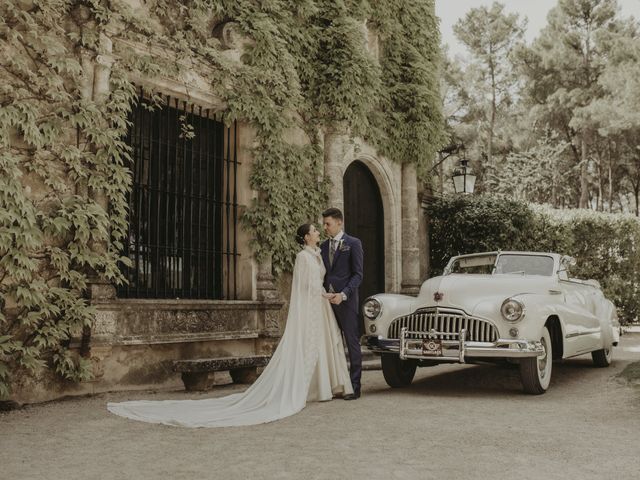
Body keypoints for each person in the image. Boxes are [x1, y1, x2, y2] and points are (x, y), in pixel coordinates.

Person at [107, 224, 353, 427]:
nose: (319, 232)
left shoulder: (317, 254)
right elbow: (305, 287)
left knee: (321, 344)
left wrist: (327, 294)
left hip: (320, 306)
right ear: (307, 236)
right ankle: (309, 389)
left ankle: (323, 387)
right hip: (312, 305)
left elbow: (319, 281)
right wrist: (325, 296)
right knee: (309, 344)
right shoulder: (302, 257)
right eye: (314, 230)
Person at [320, 208, 364, 400]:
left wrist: (344, 295)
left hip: (345, 302)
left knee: (352, 343)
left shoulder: (353, 243)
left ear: (340, 223)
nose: (325, 227)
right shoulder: (322, 246)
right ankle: (337, 384)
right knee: (332, 343)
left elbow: (358, 274)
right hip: (327, 303)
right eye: (324, 224)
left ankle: (355, 386)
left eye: (328, 223)